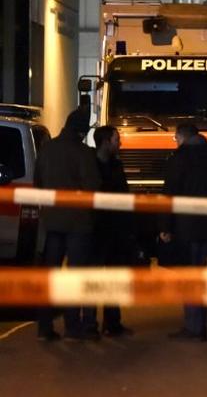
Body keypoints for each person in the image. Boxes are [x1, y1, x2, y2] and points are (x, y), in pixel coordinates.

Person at [34, 109, 101, 341]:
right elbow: (93, 188)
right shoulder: (83, 153)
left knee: (50, 275)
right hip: (78, 223)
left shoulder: (47, 149)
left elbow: (38, 182)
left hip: (52, 221)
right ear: (82, 130)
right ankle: (73, 327)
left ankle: (44, 327)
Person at [159, 124, 207, 342]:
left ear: (181, 137)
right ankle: (199, 324)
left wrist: (165, 227)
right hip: (205, 224)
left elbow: (170, 194)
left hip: (185, 225)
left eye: (175, 138)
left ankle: (193, 327)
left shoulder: (180, 158)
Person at [92, 125, 135, 337]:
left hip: (115, 229)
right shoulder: (90, 166)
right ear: (106, 141)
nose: (120, 143)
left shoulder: (117, 165)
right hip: (95, 228)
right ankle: (90, 323)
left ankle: (112, 322)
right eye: (117, 139)